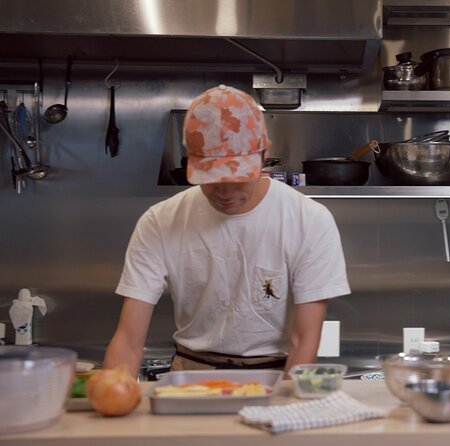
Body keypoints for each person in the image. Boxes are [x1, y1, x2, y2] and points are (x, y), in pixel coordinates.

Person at [102, 85, 350, 376]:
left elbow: (304, 340)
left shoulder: (309, 220)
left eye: (238, 177)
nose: (226, 192)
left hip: (276, 378)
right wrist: (114, 390)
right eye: (212, 178)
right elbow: (129, 341)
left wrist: (288, 404)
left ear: (263, 155)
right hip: (191, 377)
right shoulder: (160, 221)